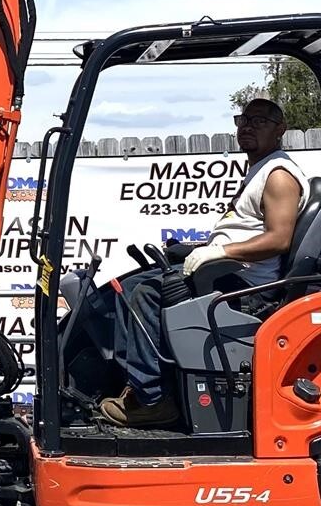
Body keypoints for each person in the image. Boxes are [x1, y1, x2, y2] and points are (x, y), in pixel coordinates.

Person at [97, 98, 306, 428]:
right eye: (243, 119)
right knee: (130, 286)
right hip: (229, 273)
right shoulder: (259, 169)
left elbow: (279, 238)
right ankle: (138, 387)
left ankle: (152, 400)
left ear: (280, 130)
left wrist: (220, 253)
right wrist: (194, 248)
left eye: (260, 121)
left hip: (248, 286)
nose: (248, 126)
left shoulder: (279, 176)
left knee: (148, 293)